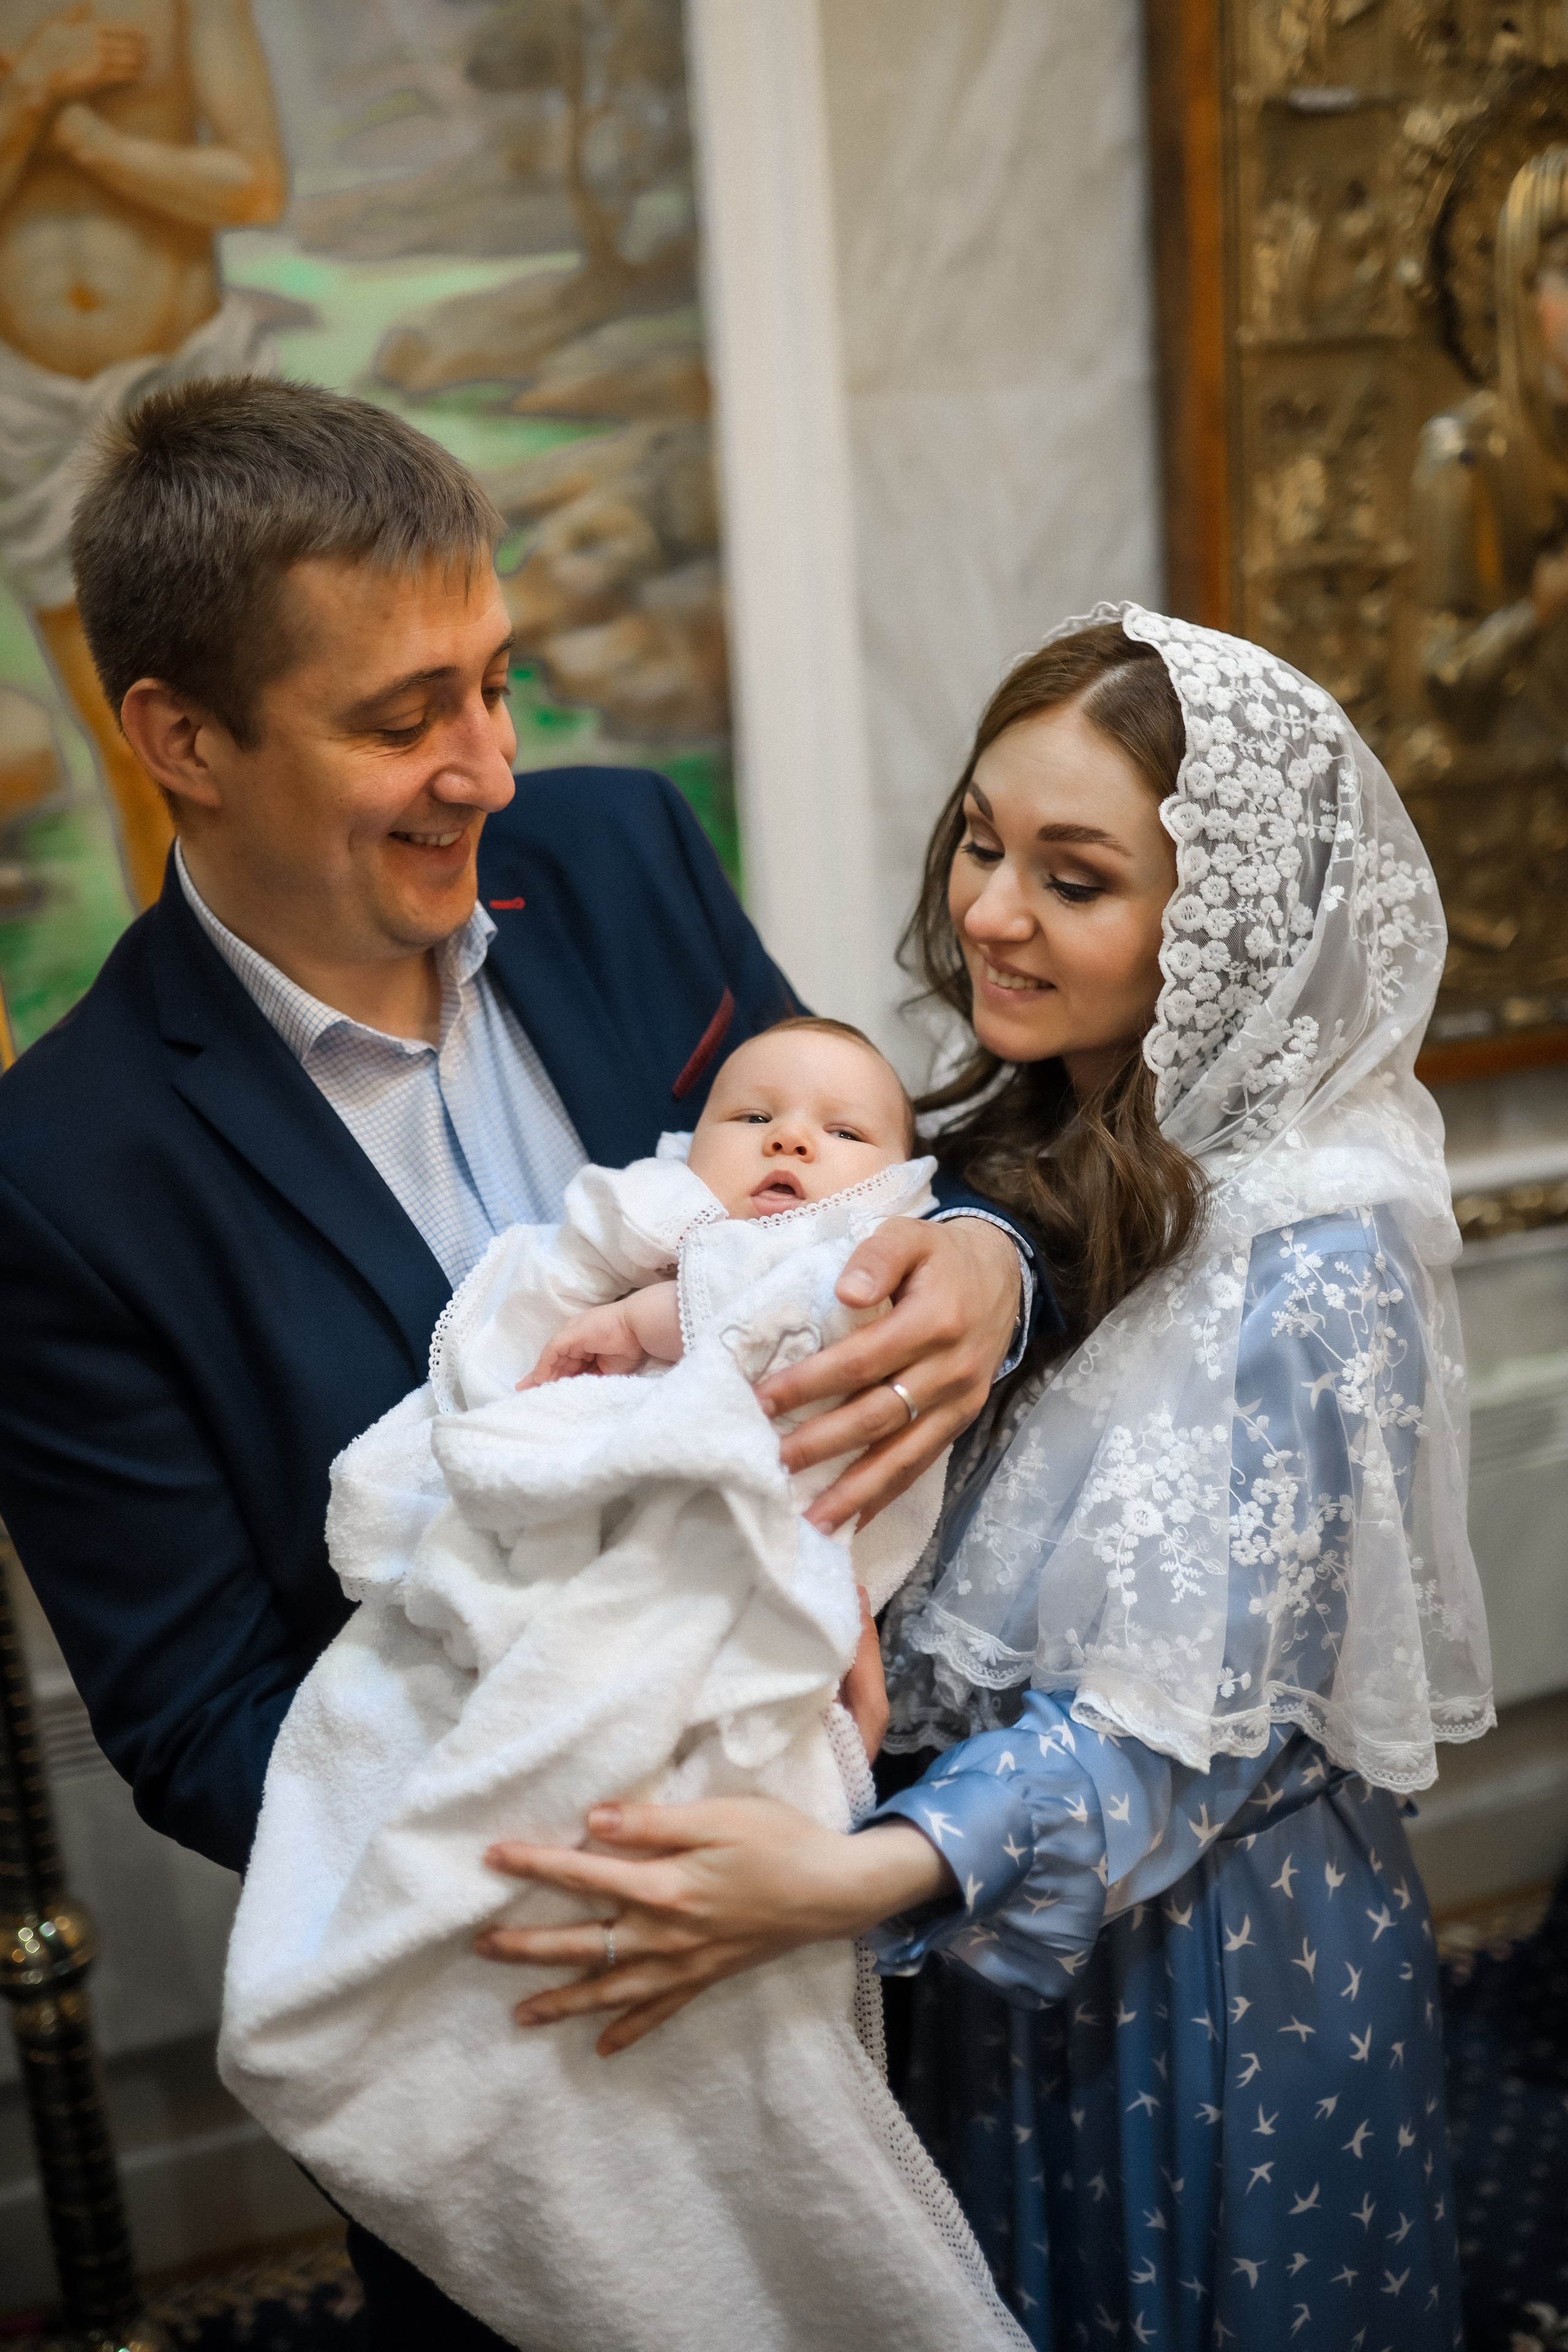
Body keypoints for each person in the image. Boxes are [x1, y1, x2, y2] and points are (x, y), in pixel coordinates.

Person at [0, 375, 1037, 2347]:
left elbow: (866, 1189)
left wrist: (985, 1251)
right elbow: (199, 1711)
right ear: (179, 739)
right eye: (402, 719)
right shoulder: (57, 1178)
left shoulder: (629, 851)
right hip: (550, 1982)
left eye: (496, 681)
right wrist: (611, 1818)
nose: (486, 764)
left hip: (893, 1845)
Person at [470, 606, 1493, 2348]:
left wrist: (848, 1881)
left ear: (1223, 925)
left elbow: (1178, 1733)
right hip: (988, 1946)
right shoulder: (1011, 1138)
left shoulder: (1324, 1255)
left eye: (1074, 878)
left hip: (1210, 1978)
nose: (990, 912)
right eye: (980, 838)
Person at [220, 1016, 1028, 2352]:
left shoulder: (858, 1260)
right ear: (678, 1151)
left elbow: (813, 1322)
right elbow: (489, 1371)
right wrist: (606, 1295)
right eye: (750, 1115)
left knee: (727, 1990)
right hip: (547, 1602)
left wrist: (659, 1318)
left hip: (734, 1611)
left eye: (840, 1133)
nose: (788, 1139)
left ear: (898, 1186)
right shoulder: (589, 1250)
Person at [0, 0, 285, 905]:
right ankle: (186, 1031)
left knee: (271, 740)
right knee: (140, 760)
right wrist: (30, 91)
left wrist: (86, 140)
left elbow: (255, 188)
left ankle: (313, 1014)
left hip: (194, 381)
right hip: (36, 414)